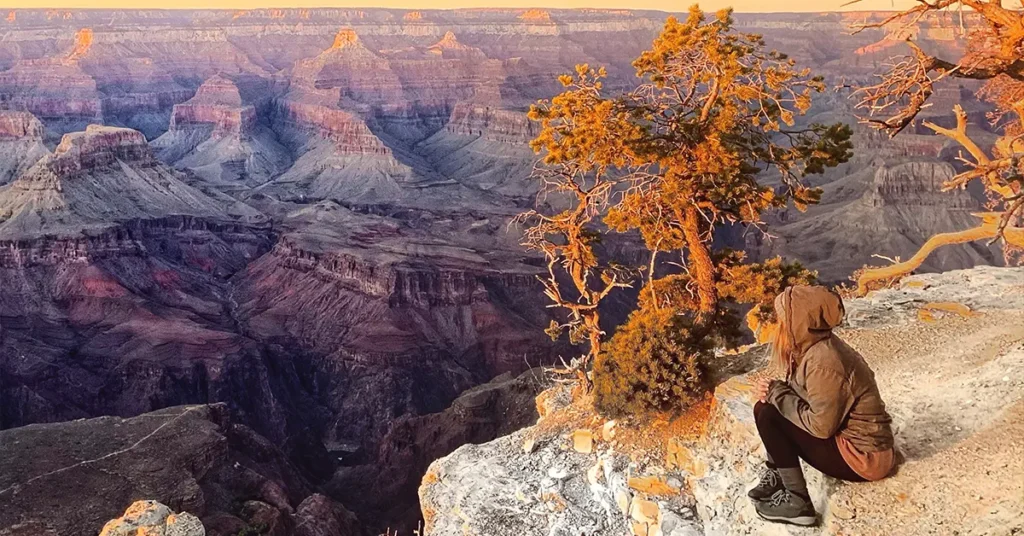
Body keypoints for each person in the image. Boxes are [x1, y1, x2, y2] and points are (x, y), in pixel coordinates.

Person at [748, 285, 895, 526]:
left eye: (784, 319)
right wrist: (775, 391)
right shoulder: (815, 348)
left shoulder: (824, 362)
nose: (779, 325)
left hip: (864, 459)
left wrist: (777, 393)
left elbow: (821, 427)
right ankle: (778, 473)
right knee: (766, 407)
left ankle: (798, 503)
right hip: (859, 447)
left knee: (769, 414)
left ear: (799, 322)